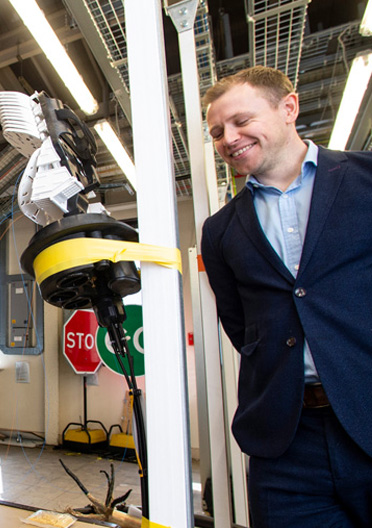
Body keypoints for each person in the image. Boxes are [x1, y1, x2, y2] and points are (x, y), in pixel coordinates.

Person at [200, 65, 372, 526]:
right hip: (286, 444)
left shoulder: (366, 179)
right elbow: (243, 327)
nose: (229, 138)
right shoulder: (220, 231)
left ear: (288, 107)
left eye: (241, 121)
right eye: (218, 131)